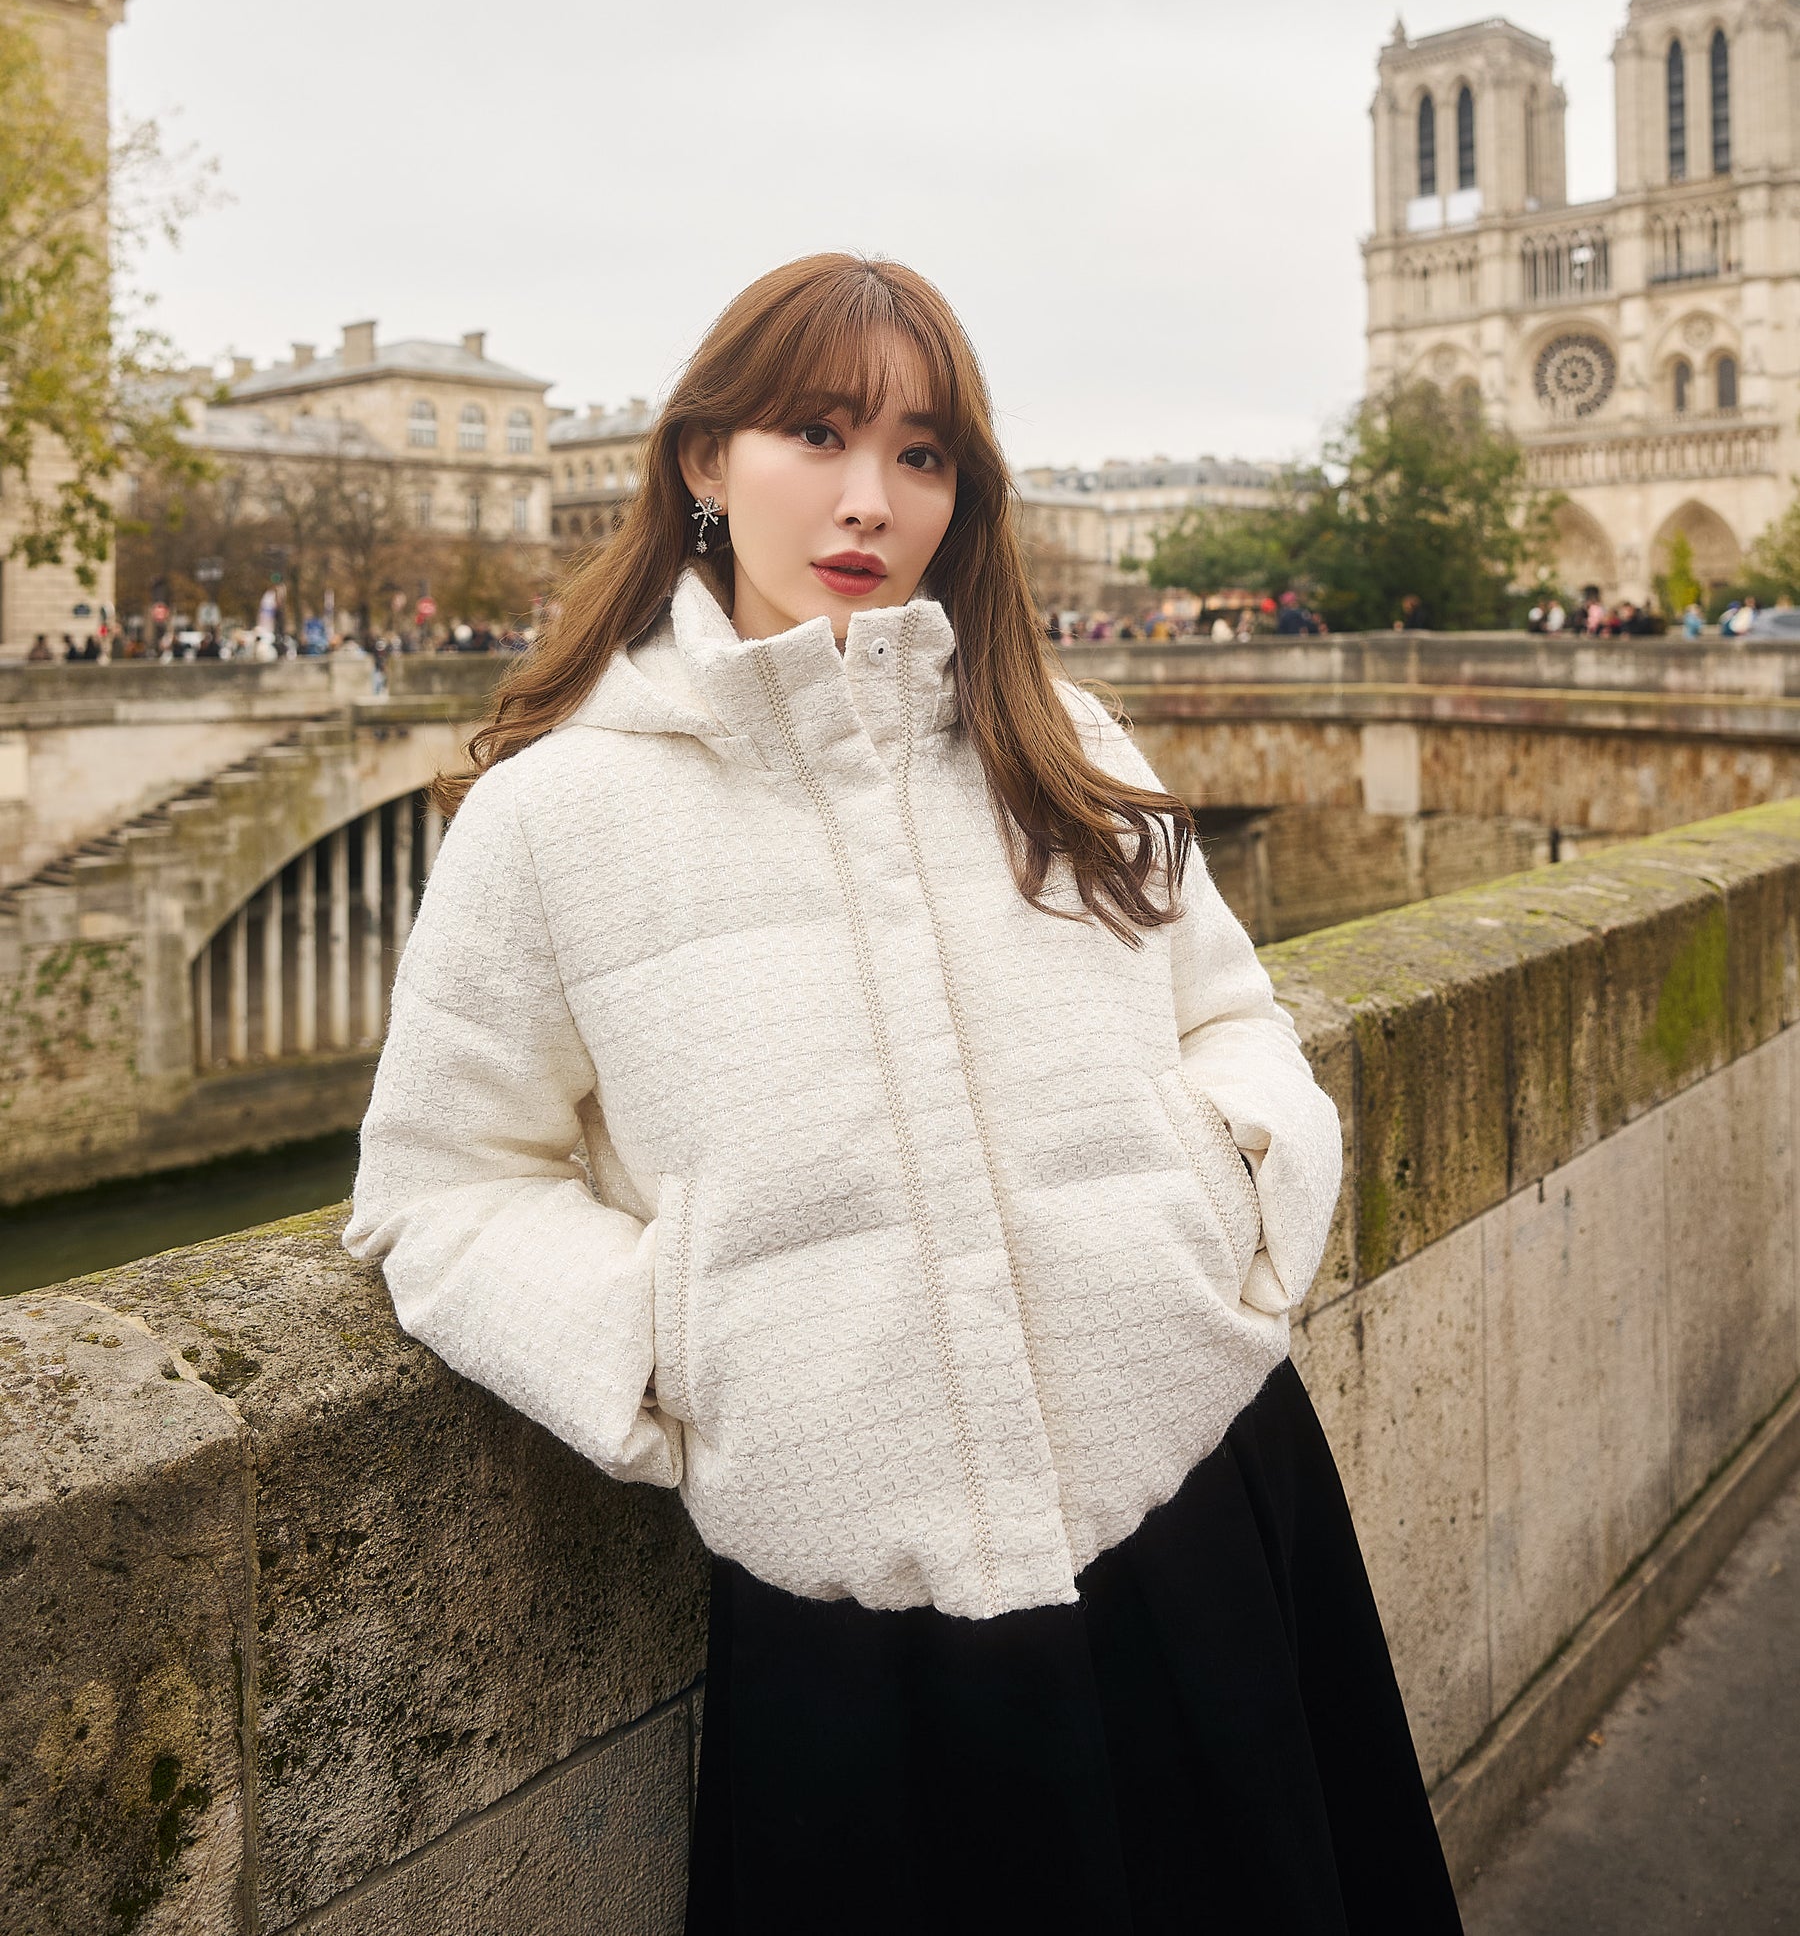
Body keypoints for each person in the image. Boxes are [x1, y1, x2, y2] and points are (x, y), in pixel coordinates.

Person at [350, 257, 1460, 1929]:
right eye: (818, 433)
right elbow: (436, 1190)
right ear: (704, 465)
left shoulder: (1059, 733)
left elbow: (1232, 1024)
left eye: (924, 455)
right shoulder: (550, 819)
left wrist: (1220, 1196)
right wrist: (687, 1348)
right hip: (849, 1614)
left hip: (1206, 1499)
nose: (872, 500)